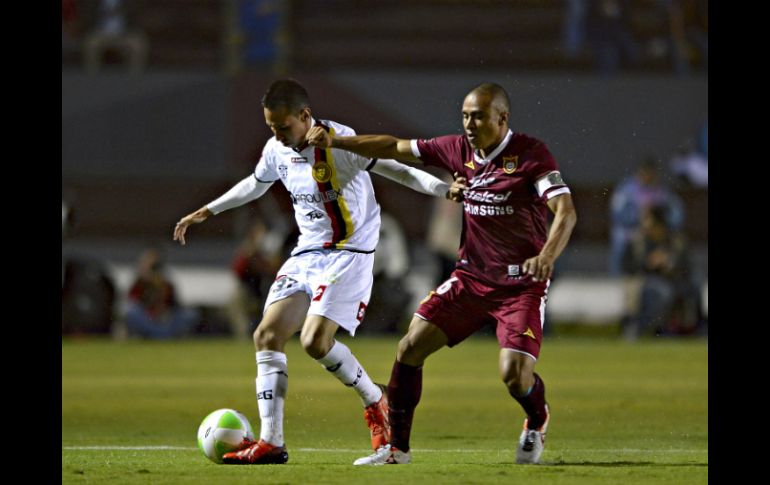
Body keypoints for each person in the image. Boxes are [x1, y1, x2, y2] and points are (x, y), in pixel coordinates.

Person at [173, 79, 463, 465]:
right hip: (307, 253)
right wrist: (207, 211)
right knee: (267, 334)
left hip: (350, 253)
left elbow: (399, 171)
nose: (276, 135)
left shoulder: (340, 142)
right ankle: (272, 442)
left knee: (314, 342)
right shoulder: (277, 149)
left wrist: (444, 190)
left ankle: (376, 400)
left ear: (305, 116)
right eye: (270, 127)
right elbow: (255, 185)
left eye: (282, 126)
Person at [307, 82, 578, 465]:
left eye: (479, 116)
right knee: (410, 346)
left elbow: (566, 211)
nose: (469, 123)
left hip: (521, 285)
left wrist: (547, 255)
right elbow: (393, 147)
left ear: (503, 118)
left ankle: (537, 418)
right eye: (465, 115)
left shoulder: (531, 154)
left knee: (514, 375)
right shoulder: (457, 149)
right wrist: (337, 142)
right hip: (470, 279)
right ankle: (396, 449)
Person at [124, 247, 199, 339]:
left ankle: (164, 335)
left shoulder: (166, 283)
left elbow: (174, 305)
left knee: (190, 315)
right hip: (147, 320)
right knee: (130, 312)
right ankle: (154, 335)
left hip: (165, 321)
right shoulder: (139, 283)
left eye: (156, 266)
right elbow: (132, 303)